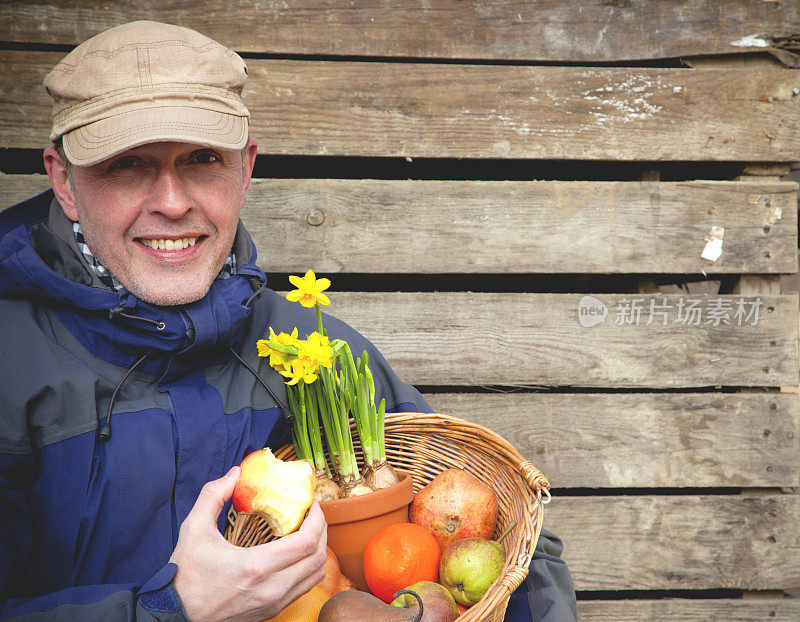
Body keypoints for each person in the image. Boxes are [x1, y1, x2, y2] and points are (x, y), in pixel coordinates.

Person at [0, 20, 577, 622]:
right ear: (64, 180)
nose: (172, 202)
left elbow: (513, 555)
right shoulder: (9, 366)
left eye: (203, 159)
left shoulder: (315, 351)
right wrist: (171, 610)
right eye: (127, 165)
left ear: (245, 170)